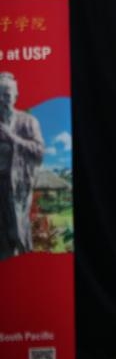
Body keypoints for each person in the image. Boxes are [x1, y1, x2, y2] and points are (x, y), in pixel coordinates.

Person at [0, 72, 45, 260]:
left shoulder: (28, 121)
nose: (5, 98)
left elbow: (39, 150)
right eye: (1, 94)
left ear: (16, 95)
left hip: (19, 184)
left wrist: (13, 138)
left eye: (9, 93)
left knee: (18, 229)